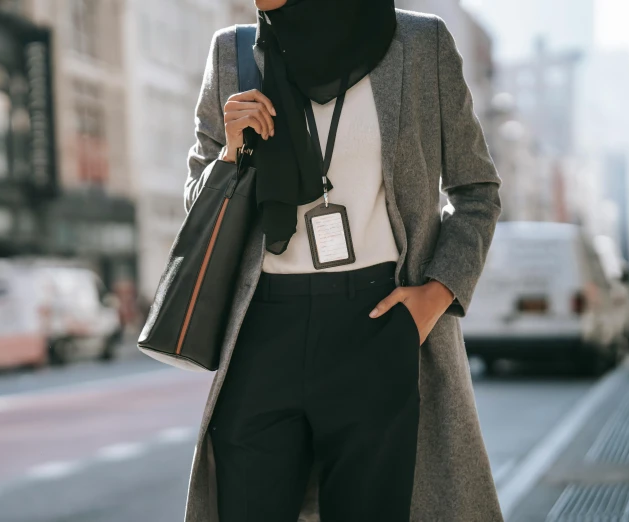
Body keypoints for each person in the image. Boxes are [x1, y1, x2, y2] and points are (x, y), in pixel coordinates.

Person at [182, 1, 504, 521]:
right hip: (263, 329)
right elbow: (198, 214)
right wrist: (230, 155)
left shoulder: (419, 44)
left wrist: (435, 296)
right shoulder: (234, 53)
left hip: (379, 320)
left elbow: (476, 191)